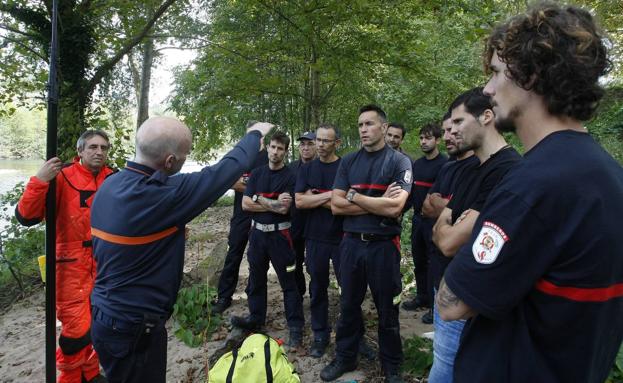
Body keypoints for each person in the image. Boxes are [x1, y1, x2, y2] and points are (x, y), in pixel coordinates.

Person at [438, 3, 623, 383]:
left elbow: (452, 304)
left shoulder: (532, 185)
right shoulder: (610, 175)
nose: (488, 90)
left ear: (532, 73)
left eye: (496, 73)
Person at [90, 117, 273, 382]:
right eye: (185, 155)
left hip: (105, 315)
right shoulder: (161, 196)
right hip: (135, 327)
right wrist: (254, 134)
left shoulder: (111, 185)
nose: (186, 160)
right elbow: (224, 171)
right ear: (169, 162)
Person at [429, 87, 521, 383]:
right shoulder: (471, 169)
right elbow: (440, 228)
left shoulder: (508, 169)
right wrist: (452, 223)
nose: (451, 131)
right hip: (445, 288)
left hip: (468, 299)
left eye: (458, 122)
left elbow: (449, 241)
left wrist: (451, 224)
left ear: (487, 117)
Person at [321, 104, 412, 383]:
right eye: (360, 124)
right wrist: (377, 202)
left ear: (384, 128)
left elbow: (395, 207)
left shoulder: (399, 162)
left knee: (388, 308)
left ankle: (392, 365)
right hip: (351, 246)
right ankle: (345, 358)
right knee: (348, 306)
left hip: (384, 246)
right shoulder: (348, 162)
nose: (363, 129)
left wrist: (356, 197)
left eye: (369, 124)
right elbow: (336, 206)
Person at [15, 130, 113, 383]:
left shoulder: (114, 179)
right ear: (80, 151)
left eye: (103, 147)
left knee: (98, 324)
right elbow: (27, 216)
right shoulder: (62, 177)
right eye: (92, 147)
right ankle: (70, 378)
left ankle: (90, 373)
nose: (99, 152)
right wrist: (39, 180)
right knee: (76, 329)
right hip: (70, 267)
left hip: (105, 264)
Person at [231, 131, 305, 348]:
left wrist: (258, 198)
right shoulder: (257, 173)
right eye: (272, 147)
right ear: (268, 148)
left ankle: (295, 326)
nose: (275, 152)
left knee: (288, 283)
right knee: (256, 280)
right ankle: (256, 319)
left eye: (280, 148)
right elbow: (245, 205)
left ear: (285, 151)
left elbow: (284, 209)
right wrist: (269, 201)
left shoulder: (291, 176)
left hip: (280, 236)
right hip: (257, 235)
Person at [294, 124, 343, 357]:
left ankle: (352, 335)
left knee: (350, 289)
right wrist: (331, 195)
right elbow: (300, 202)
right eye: (318, 140)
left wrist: (315, 196)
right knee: (317, 288)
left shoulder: (346, 166)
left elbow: (345, 204)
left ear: (337, 143)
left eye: (326, 141)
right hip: (315, 237)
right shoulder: (307, 169)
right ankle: (320, 335)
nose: (320, 145)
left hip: (344, 237)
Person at [212, 124, 268, 314]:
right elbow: (229, 181)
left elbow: (268, 187)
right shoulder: (242, 157)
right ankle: (224, 297)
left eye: (257, 135)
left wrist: (246, 184)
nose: (254, 139)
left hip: (262, 214)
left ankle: (253, 295)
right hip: (240, 216)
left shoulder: (269, 156)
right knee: (234, 254)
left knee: (257, 258)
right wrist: (253, 186)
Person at [402, 123, 447, 326]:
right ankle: (422, 296)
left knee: (433, 263)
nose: (423, 142)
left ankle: (434, 306)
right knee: (419, 259)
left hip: (435, 222)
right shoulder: (417, 164)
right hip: (417, 220)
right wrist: (401, 212)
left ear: (437, 140)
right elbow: (410, 194)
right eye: (421, 138)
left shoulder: (445, 165)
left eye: (428, 138)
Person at [288, 131, 317, 298]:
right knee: (295, 261)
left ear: (316, 146)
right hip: (295, 222)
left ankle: (316, 296)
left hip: (316, 223)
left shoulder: (322, 166)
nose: (305, 148)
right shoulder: (291, 168)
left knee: (314, 264)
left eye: (310, 144)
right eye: (302, 144)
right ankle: (298, 294)